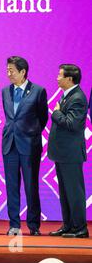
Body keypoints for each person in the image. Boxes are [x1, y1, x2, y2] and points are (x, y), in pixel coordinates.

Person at [2, 56, 48, 236]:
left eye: (11, 70)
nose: (8, 74)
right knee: (11, 187)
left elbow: (42, 118)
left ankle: (34, 225)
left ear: (23, 72)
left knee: (31, 186)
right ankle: (14, 224)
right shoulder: (5, 91)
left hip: (29, 145)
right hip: (9, 145)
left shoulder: (38, 91)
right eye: (7, 70)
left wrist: (31, 133)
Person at [48, 64, 88, 238]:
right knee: (65, 192)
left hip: (71, 154)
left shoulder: (77, 98)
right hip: (62, 153)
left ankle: (80, 228)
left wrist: (55, 114)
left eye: (60, 75)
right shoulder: (67, 96)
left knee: (74, 191)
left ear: (69, 79)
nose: (57, 78)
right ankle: (69, 225)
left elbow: (71, 124)